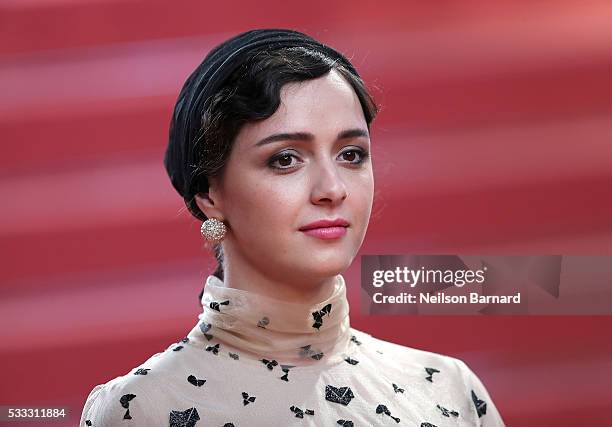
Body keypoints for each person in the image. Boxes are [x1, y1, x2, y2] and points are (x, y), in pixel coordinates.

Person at [80, 28, 506, 426]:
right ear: (210, 194)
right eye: (285, 159)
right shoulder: (144, 409)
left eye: (351, 154)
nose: (332, 188)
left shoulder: (447, 390)